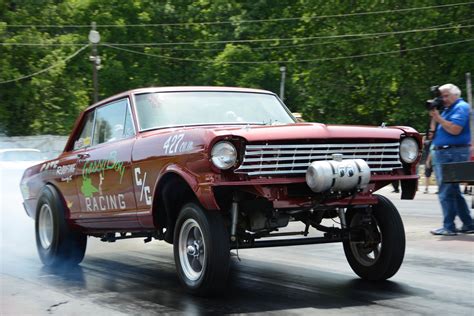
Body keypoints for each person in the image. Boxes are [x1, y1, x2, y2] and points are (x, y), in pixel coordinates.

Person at [429, 83, 473, 236]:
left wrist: (438, 118)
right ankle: (468, 223)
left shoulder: (461, 107)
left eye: (446, 96)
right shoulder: (447, 109)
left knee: (446, 191)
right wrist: (434, 117)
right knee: (453, 191)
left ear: (456, 94)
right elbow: (432, 133)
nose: (443, 99)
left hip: (453, 153)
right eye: (442, 96)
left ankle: (449, 226)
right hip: (447, 152)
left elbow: (455, 129)